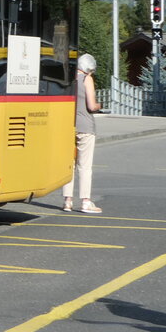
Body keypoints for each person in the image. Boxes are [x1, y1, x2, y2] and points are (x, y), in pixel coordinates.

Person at [63, 52, 102, 213]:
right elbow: (91, 106)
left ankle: (67, 201)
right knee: (85, 166)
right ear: (89, 69)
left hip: (69, 126)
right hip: (86, 127)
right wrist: (100, 105)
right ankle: (85, 202)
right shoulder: (87, 79)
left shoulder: (69, 79)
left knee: (69, 164)